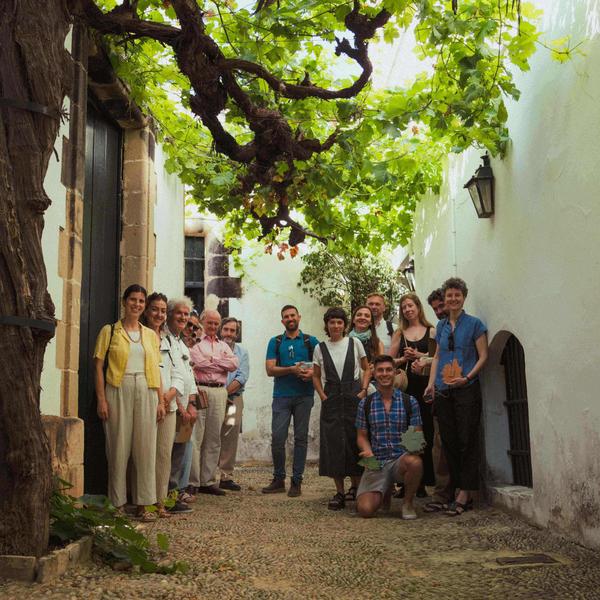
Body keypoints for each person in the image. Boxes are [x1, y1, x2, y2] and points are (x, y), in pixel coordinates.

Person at [94, 284, 163, 521]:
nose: (137, 304)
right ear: (124, 302)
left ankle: (144, 503)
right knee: (118, 447)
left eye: (141, 301)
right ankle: (117, 503)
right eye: (133, 299)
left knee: (146, 449)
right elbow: (98, 367)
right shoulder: (110, 331)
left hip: (147, 388)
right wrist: (101, 399)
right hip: (118, 387)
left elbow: (156, 368)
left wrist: (160, 400)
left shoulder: (151, 335)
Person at [424, 277, 488, 516]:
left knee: (467, 440)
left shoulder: (475, 324)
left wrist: (467, 377)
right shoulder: (440, 326)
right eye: (449, 295)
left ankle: (465, 493)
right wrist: (431, 384)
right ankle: (452, 491)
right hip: (443, 390)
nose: (453, 299)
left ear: (464, 297)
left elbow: (484, 356)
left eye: (457, 295)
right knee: (449, 442)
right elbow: (437, 357)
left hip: (466, 388)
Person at [313, 307, 371, 510]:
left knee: (355, 440)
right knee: (334, 443)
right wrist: (322, 395)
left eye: (339, 322)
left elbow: (367, 368)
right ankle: (339, 492)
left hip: (353, 395)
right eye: (332, 322)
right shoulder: (320, 348)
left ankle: (356, 488)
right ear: (327, 325)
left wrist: (363, 390)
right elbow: (315, 375)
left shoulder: (355, 343)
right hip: (331, 398)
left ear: (345, 325)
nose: (336, 326)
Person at [356, 355, 423, 520]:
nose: (384, 374)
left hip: (400, 459)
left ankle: (408, 503)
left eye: (388, 370)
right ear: (374, 374)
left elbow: (416, 433)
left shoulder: (410, 401)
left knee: (415, 463)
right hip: (376, 461)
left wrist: (415, 446)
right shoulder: (365, 404)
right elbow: (361, 436)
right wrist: (367, 452)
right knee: (365, 510)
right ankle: (384, 491)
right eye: (380, 370)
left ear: (395, 372)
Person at [262, 305, 319, 497]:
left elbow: (322, 366)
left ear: (299, 317)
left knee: (301, 438)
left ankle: (297, 481)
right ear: (282, 321)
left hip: (305, 396)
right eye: (286, 316)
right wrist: (291, 370)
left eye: (292, 315)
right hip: (281, 396)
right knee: (278, 438)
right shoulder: (276, 342)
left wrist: (311, 373)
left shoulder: (311, 341)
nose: (290, 318)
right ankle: (279, 479)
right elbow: (270, 369)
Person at [142, 292, 185, 518]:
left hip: (169, 405)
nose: (159, 314)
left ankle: (160, 501)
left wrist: (169, 396)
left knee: (163, 455)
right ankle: (144, 502)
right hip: (148, 402)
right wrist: (159, 399)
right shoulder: (140, 335)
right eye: (154, 309)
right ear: (146, 311)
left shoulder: (169, 340)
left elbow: (179, 373)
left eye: (162, 311)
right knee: (145, 454)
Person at [389, 293, 436, 498]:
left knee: (426, 431)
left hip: (426, 386)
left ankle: (423, 481)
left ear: (418, 307)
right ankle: (408, 482)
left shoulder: (431, 330)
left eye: (410, 305)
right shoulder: (400, 333)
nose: (408, 310)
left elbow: (437, 357)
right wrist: (403, 358)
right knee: (408, 432)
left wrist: (419, 356)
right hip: (406, 389)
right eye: (404, 307)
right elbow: (389, 361)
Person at [190, 309, 239, 495]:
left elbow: (234, 364)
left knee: (213, 438)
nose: (213, 326)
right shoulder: (195, 343)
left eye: (216, 324)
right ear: (202, 322)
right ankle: (192, 481)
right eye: (210, 322)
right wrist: (220, 363)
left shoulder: (223, 345)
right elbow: (197, 362)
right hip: (200, 389)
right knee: (196, 437)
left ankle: (207, 481)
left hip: (219, 392)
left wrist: (212, 359)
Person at [161, 297, 196, 513]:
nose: (183, 317)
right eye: (179, 313)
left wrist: (191, 404)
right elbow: (169, 376)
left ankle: (173, 494)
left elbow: (189, 376)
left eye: (186, 314)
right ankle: (166, 495)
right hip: (172, 406)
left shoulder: (182, 344)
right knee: (168, 452)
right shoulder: (163, 339)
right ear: (170, 314)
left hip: (184, 408)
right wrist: (180, 406)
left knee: (179, 452)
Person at [217, 317, 250, 491]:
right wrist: (219, 395)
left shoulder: (242, 353)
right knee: (211, 436)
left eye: (232, 331)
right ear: (220, 330)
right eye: (226, 329)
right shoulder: (213, 348)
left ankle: (225, 476)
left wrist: (224, 393)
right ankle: (206, 477)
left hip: (233, 400)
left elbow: (241, 376)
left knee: (229, 435)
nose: (229, 333)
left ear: (237, 334)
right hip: (214, 400)